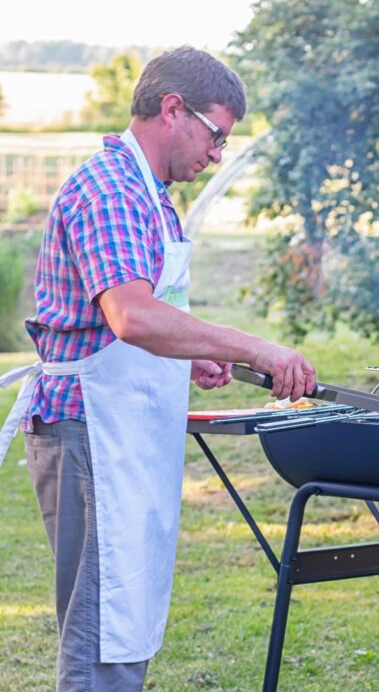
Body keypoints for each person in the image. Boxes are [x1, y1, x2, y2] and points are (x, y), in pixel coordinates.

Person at [0, 46, 316, 692]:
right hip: (90, 434)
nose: (217, 154)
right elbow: (132, 316)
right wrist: (249, 347)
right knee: (101, 637)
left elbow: (145, 315)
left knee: (128, 622)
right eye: (216, 135)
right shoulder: (111, 190)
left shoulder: (154, 197)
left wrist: (194, 350)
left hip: (127, 436)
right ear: (173, 110)